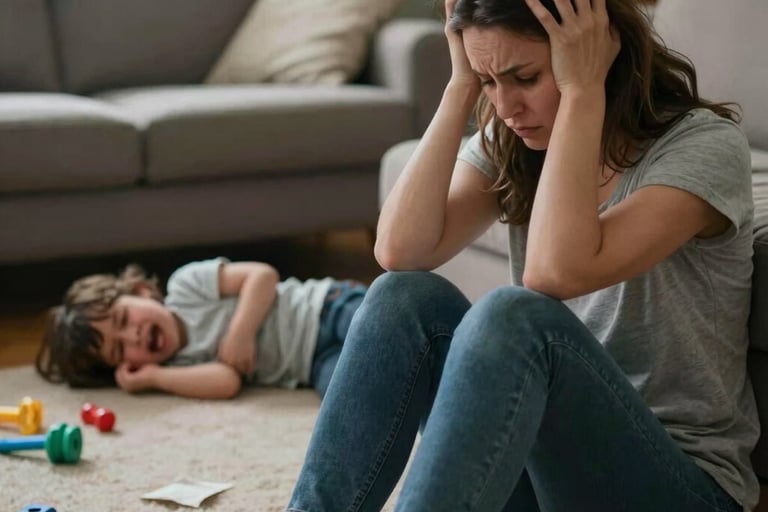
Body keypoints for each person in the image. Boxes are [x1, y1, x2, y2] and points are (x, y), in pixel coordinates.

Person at [286, 0, 759, 511]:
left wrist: (582, 92)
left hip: (674, 484)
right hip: (543, 476)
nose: (507, 107)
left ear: (597, 50)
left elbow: (555, 272)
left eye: (525, 77)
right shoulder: (517, 137)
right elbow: (398, 249)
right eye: (491, 82)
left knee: (514, 316)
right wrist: (461, 85)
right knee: (404, 297)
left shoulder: (705, 148)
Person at [35, 257, 366, 400]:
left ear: (141, 291)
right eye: (119, 350)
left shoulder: (186, 286)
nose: (133, 335)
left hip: (325, 307)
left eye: (123, 320)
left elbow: (262, 276)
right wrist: (153, 377)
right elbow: (226, 382)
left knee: (380, 331)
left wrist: (241, 331)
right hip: (314, 363)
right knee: (355, 393)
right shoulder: (176, 366)